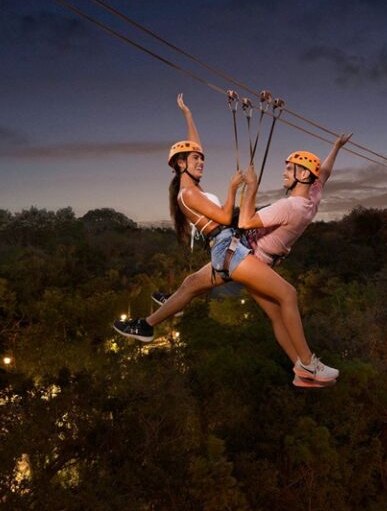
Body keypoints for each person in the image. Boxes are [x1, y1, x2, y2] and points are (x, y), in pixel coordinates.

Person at [114, 94, 342, 388]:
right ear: (181, 164)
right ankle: (308, 363)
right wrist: (236, 189)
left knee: (191, 286)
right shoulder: (190, 193)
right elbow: (225, 217)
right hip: (230, 248)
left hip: (231, 247)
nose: (201, 161)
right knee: (288, 295)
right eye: (195, 159)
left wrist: (188, 115)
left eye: (201, 158)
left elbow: (194, 146)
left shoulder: (192, 184)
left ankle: (147, 324)